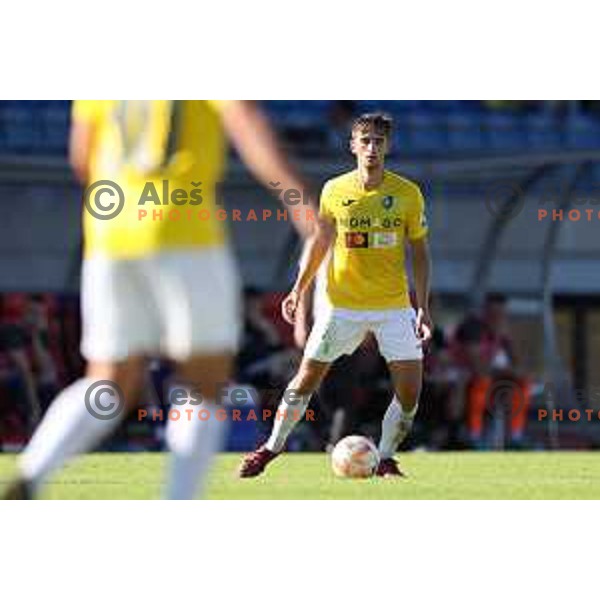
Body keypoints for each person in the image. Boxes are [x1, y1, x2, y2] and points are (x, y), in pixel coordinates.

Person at [4, 100, 327, 500]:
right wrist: (298, 198)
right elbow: (244, 119)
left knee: (108, 381)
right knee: (204, 384)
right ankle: (178, 503)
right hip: (183, 229)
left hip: (112, 235)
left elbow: (81, 157)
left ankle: (31, 475)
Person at [238, 112, 433, 478]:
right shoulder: (334, 190)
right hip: (342, 307)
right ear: (353, 146)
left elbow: (420, 253)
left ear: (388, 146)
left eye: (378, 141)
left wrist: (422, 307)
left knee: (410, 395)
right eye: (365, 140)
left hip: (393, 308)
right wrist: (298, 289)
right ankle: (269, 449)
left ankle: (386, 457)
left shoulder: (408, 194)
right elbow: (320, 241)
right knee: (306, 378)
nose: (372, 148)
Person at [452, 293, 530, 448]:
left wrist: (506, 338)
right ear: (485, 311)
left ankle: (515, 436)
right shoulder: (472, 327)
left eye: (501, 314)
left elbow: (518, 364)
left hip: (491, 376)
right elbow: (477, 366)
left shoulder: (501, 331)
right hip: (461, 374)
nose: (497, 318)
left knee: (522, 383)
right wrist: (507, 371)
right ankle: (474, 435)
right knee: (483, 382)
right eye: (493, 313)